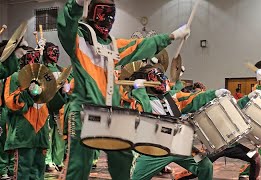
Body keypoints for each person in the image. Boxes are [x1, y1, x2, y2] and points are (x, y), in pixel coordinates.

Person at [57, 0, 191, 179]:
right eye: (102, 12)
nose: (107, 18)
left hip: (110, 113)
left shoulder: (114, 45)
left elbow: (139, 46)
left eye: (110, 13)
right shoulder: (78, 39)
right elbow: (66, 24)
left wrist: (171, 36)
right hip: (83, 110)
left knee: (123, 158)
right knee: (79, 165)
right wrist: (77, 4)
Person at [121, 64, 231, 180]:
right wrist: (139, 91)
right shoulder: (136, 100)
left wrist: (214, 94)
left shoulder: (171, 96)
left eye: (161, 76)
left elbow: (193, 98)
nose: (162, 80)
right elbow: (144, 112)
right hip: (154, 149)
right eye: (156, 77)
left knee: (205, 165)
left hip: (179, 145)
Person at [4, 47, 51, 179]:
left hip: (41, 132)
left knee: (38, 172)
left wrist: (59, 91)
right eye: (29, 58)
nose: (32, 62)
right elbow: (11, 103)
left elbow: (52, 104)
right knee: (23, 172)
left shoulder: (43, 78)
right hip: (24, 132)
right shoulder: (15, 77)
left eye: (35, 58)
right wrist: (28, 93)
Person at [0, 38, 28, 180]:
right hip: (1, 109)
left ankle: (11, 167)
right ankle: (3, 168)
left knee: (9, 139)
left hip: (8, 109)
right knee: (2, 140)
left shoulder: (12, 72)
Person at [42, 42, 69, 172]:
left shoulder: (61, 69)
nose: (56, 54)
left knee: (59, 135)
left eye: (57, 52)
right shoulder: (42, 69)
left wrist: (66, 89)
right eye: (52, 51)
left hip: (59, 106)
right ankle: (47, 160)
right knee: (48, 133)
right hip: (46, 105)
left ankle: (58, 160)